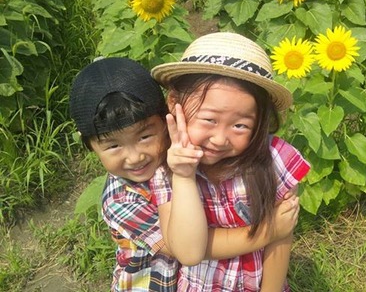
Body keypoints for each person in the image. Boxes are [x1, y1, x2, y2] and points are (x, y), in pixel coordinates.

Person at [69, 57, 299, 292]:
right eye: (113, 146)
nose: (135, 156)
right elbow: (186, 249)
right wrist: (269, 231)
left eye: (145, 137)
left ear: (167, 119)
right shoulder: (122, 199)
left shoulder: (193, 157)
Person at [151, 31, 311, 292]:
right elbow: (189, 252)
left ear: (259, 121)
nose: (219, 139)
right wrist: (184, 176)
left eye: (240, 125)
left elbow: (281, 241)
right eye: (209, 119)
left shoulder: (275, 161)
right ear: (174, 103)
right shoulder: (167, 171)